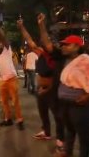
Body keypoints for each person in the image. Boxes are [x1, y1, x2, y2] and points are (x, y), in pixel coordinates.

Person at [38, 14, 89, 157]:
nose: (63, 47)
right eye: (62, 44)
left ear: (76, 46)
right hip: (65, 104)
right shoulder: (62, 58)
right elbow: (47, 44)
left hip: (81, 106)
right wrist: (41, 25)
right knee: (70, 132)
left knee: (83, 136)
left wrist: (88, 96)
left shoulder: (86, 60)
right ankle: (67, 153)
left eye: (66, 44)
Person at [17, 17, 65, 149]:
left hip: (52, 89)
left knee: (57, 114)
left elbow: (45, 38)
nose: (42, 45)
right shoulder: (42, 54)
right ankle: (47, 132)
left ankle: (61, 139)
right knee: (43, 112)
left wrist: (41, 24)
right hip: (42, 89)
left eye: (47, 43)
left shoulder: (56, 55)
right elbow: (29, 41)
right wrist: (21, 27)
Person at [0, 19, 24, 130]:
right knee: (4, 102)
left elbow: (3, 37)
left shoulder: (7, 50)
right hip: (2, 81)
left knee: (15, 100)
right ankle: (8, 119)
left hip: (12, 79)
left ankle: (20, 120)